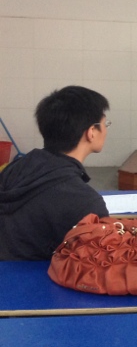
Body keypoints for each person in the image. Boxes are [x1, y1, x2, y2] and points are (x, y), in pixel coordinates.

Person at [0, 86, 111, 261]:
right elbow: (98, 261)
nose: (106, 130)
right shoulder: (86, 202)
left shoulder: (14, 168)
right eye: (105, 124)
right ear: (91, 132)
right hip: (37, 276)